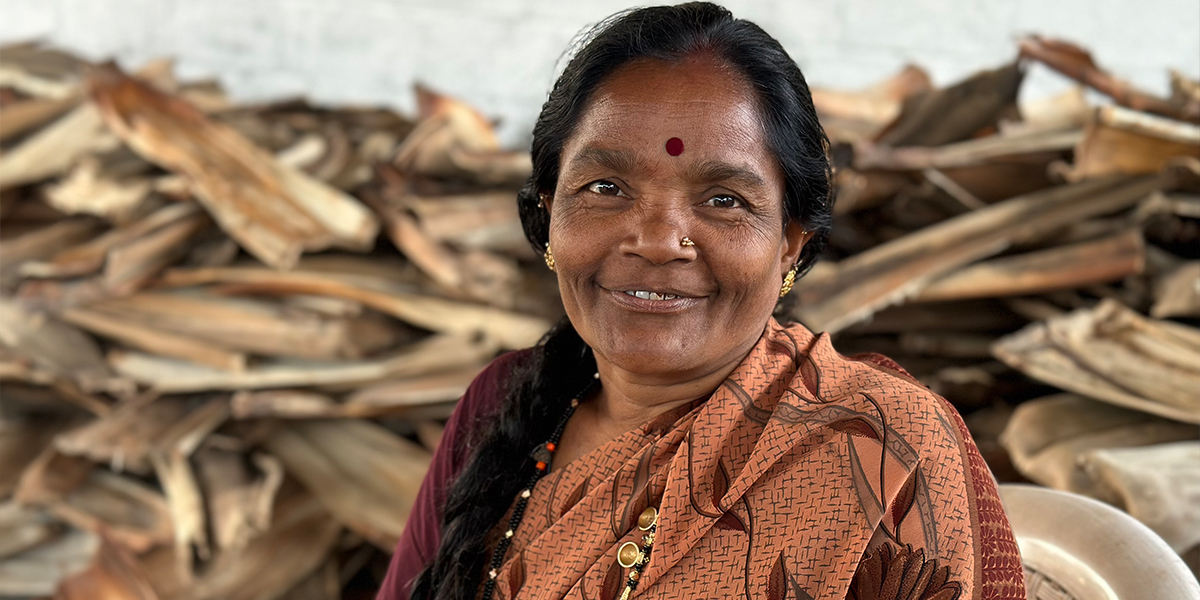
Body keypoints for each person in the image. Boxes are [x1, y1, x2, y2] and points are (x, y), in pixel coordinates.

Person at [377, 4, 1026, 599]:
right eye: (606, 186)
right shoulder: (500, 409)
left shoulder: (882, 451)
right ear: (549, 217)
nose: (659, 242)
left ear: (790, 246)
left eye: (724, 200)